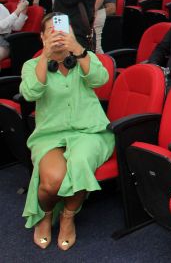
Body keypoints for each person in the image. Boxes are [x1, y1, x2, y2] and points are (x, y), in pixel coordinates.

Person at [21, 13, 114, 251]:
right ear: (42, 36)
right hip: (50, 135)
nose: (58, 36)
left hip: (90, 131)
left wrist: (78, 49)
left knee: (80, 162)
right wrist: (45, 55)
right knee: (52, 182)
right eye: (51, 31)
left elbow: (101, 79)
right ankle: (45, 215)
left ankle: (67, 217)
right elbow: (31, 93)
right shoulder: (32, 65)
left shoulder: (84, 57)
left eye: (63, 30)